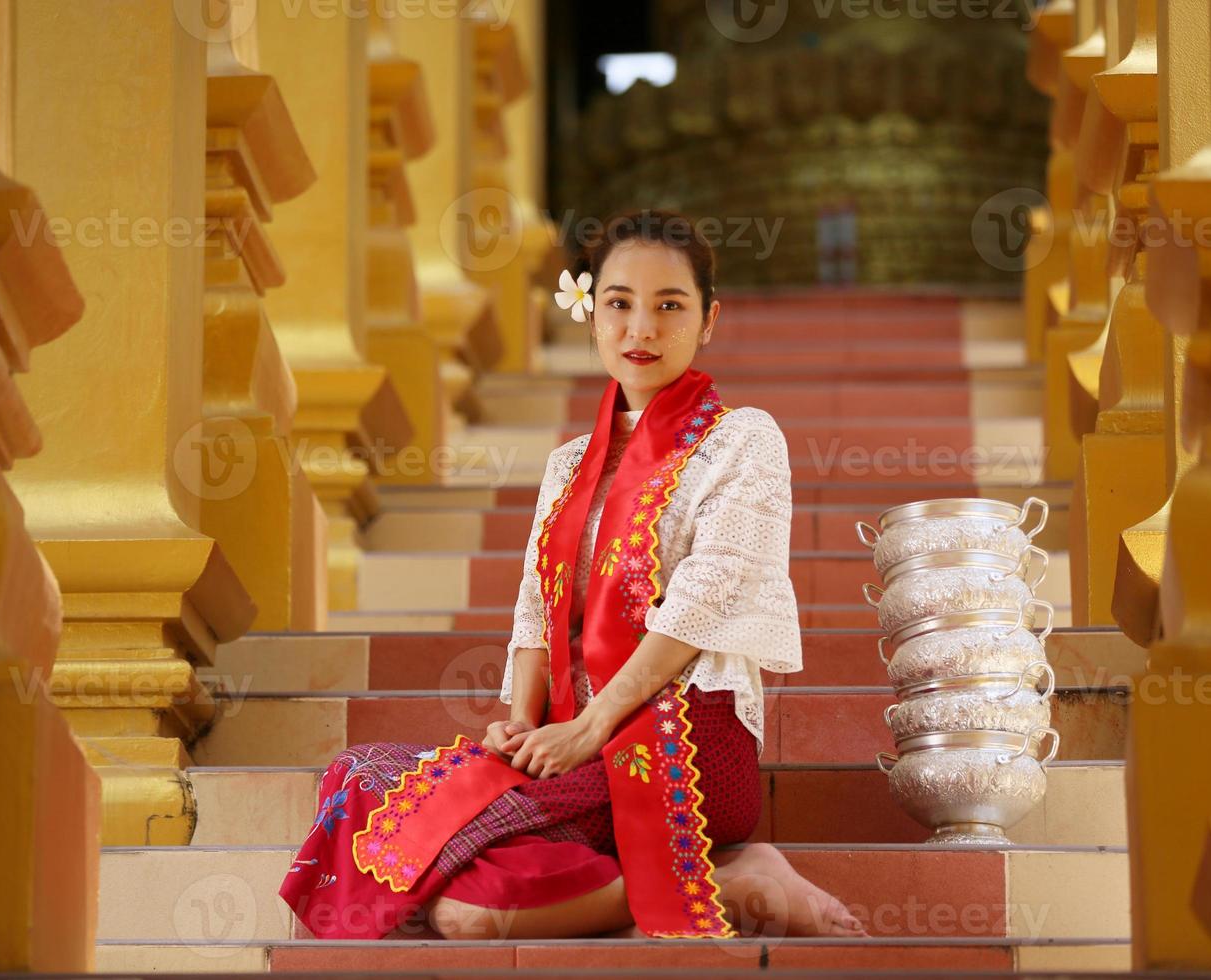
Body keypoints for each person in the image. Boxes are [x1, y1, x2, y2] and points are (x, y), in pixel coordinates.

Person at [278, 209, 868, 942]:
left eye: (670, 306)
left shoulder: (742, 440)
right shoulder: (567, 466)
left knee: (463, 911)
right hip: (567, 741)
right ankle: (689, 881)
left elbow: (703, 599)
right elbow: (535, 608)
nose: (641, 330)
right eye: (619, 304)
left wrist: (592, 726)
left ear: (709, 320)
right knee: (361, 773)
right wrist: (524, 724)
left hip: (683, 737)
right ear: (592, 315)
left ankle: (738, 876)